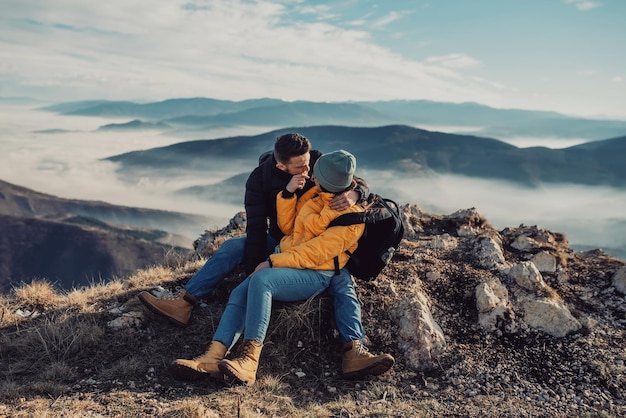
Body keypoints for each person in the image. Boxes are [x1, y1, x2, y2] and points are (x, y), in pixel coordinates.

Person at [138, 133, 392, 378]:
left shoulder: (330, 184)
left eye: (311, 166)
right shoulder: (267, 181)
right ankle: (209, 353)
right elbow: (266, 227)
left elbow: (347, 181)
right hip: (286, 243)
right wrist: (287, 197)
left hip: (315, 262)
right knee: (241, 280)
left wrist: (356, 192)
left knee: (340, 283)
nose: (308, 170)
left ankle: (345, 351)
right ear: (282, 165)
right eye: (302, 167)